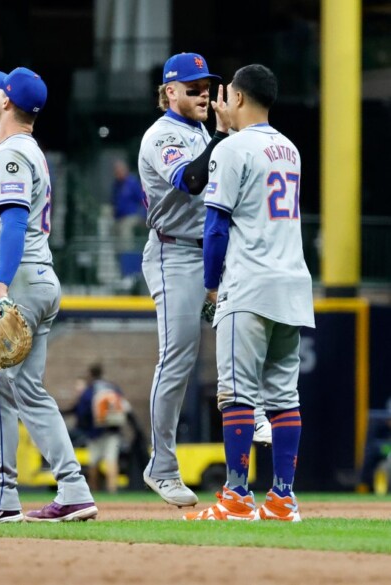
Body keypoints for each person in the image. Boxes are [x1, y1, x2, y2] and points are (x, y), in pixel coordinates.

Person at [0, 67, 97, 523]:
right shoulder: (14, 153)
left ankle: (1, 494)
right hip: (38, 277)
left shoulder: (12, 156)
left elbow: (12, 222)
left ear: (6, 102)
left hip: (14, 276)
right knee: (28, 392)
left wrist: (0, 289)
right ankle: (73, 489)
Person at [185, 64, 314, 521]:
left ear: (237, 98)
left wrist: (211, 286)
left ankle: (237, 495)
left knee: (236, 394)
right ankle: (282, 498)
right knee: (283, 396)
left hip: (250, 284)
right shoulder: (290, 149)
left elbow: (216, 225)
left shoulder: (234, 147)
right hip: (293, 285)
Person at [137, 52, 232, 508]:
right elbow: (191, 180)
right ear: (170, 91)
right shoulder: (163, 135)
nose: (203, 93)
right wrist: (223, 136)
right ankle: (162, 466)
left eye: (207, 86)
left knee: (239, 345)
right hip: (173, 253)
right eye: (193, 87)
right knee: (176, 360)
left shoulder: (197, 131)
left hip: (213, 253)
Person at [73, 364, 129, 494]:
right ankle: (112, 490)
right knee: (112, 460)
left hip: (95, 433)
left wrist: (84, 428)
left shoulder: (90, 390)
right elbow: (124, 405)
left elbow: (83, 411)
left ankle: (94, 490)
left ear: (90, 374)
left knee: (93, 462)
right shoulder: (112, 387)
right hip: (112, 430)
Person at [111, 158, 146, 252]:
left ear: (125, 170)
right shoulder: (116, 185)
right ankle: (119, 259)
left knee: (125, 229)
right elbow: (114, 201)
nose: (117, 173)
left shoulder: (132, 182)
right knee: (115, 240)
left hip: (131, 217)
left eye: (119, 170)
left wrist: (144, 215)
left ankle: (127, 256)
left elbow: (142, 199)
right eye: (116, 171)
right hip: (118, 218)